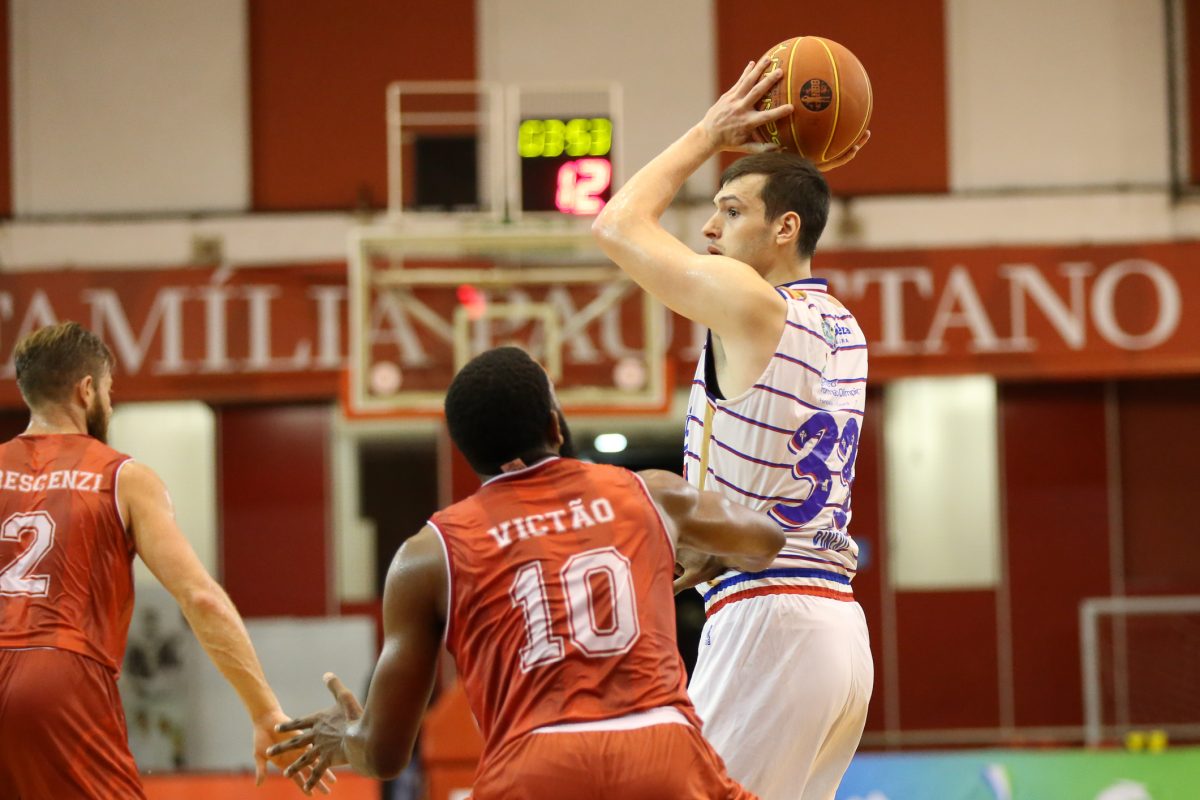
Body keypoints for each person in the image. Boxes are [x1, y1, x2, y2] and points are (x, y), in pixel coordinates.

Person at [267, 345, 784, 799]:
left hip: (534, 764)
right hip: (660, 748)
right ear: (555, 426)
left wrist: (345, 738)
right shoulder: (651, 493)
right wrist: (708, 555)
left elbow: (384, 755)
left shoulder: (427, 555)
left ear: (470, 457)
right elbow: (766, 540)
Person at [591, 58, 874, 800]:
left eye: (731, 210)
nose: (709, 228)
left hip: (771, 621)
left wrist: (709, 132)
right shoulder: (842, 325)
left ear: (786, 228)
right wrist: (723, 536)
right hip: (837, 629)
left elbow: (616, 224)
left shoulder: (751, 303)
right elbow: (777, 464)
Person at [0, 321, 319, 798]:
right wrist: (264, 711)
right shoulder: (123, 477)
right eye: (109, 390)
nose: (110, 404)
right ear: (86, 390)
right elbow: (200, 598)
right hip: (62, 675)